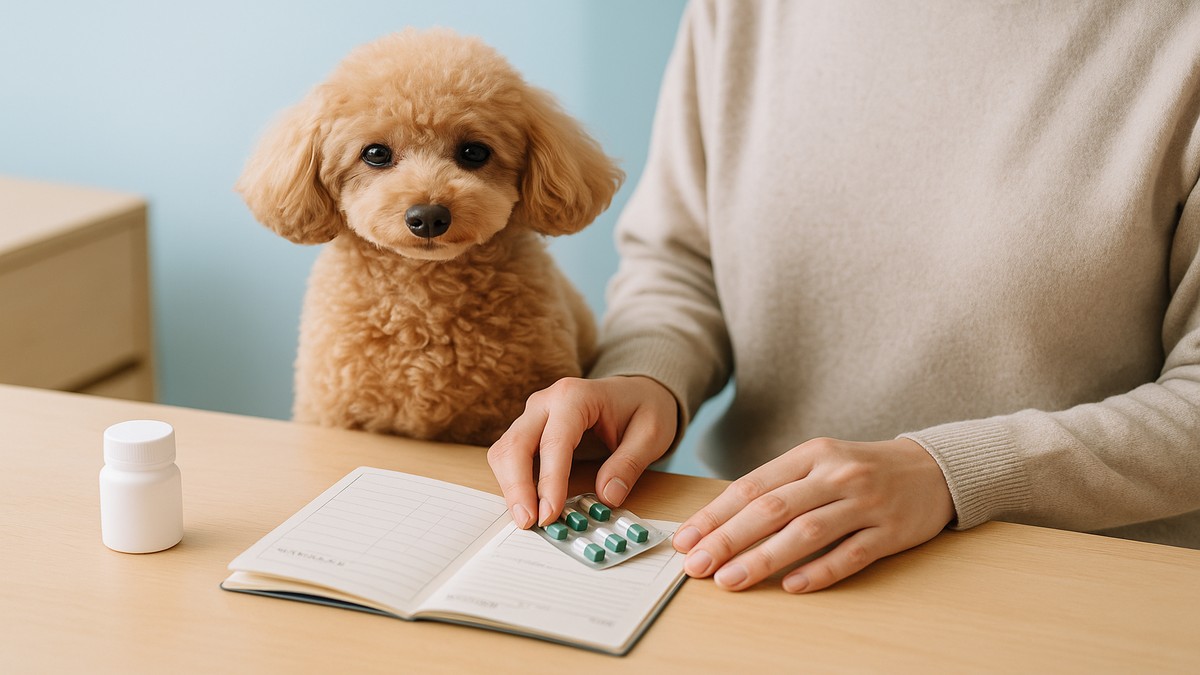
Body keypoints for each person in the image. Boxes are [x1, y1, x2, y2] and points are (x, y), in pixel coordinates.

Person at [488, 0, 1200, 593]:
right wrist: (644, 376)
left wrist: (954, 473)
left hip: (1081, 586)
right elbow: (681, 261)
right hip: (765, 566)